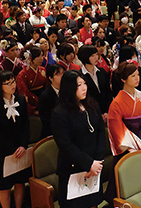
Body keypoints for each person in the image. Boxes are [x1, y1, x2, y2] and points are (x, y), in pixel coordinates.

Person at [52, 70, 106, 208]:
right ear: (69, 88)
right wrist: (88, 164)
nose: (84, 88)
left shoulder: (91, 104)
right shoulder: (60, 113)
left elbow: (100, 130)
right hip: (73, 167)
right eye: (79, 85)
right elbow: (65, 145)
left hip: (95, 165)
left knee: (93, 203)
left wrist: (97, 161)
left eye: (84, 83)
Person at [0, 70, 30, 208]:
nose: (13, 86)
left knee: (19, 182)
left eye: (13, 82)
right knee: (4, 186)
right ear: (0, 86)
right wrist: (12, 149)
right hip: (4, 151)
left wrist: (23, 145)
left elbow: (25, 126)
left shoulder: (21, 100)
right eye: (8, 83)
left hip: (20, 149)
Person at [107, 61, 141, 156]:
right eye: (133, 76)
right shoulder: (116, 104)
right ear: (123, 79)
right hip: (129, 147)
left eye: (138, 75)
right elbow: (116, 129)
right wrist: (131, 149)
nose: (137, 78)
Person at [78, 44, 112, 119]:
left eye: (96, 54)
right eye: (92, 56)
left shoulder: (102, 72)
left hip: (107, 112)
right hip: (92, 114)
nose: (96, 57)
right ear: (85, 57)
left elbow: (108, 92)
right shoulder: (80, 76)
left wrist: (107, 111)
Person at [16, 45, 47, 115]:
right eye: (38, 56)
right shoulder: (23, 74)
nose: (41, 58)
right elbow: (24, 92)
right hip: (32, 101)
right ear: (30, 58)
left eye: (42, 56)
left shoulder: (43, 70)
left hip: (44, 99)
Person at [38, 63, 63, 139]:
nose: (62, 76)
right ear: (50, 78)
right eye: (58, 74)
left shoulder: (67, 92)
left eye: (62, 73)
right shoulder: (45, 96)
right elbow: (46, 120)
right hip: (51, 133)